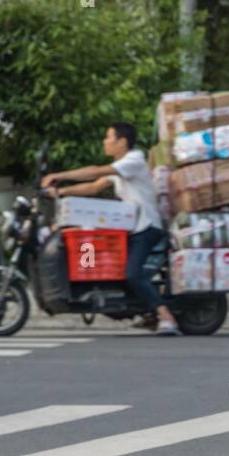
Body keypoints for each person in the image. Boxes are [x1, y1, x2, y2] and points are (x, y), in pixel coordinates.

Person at [41, 122, 179, 335]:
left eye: (108, 137)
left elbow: (96, 171)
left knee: (133, 275)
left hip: (147, 228)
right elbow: (94, 186)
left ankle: (166, 317)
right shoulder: (122, 166)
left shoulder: (134, 160)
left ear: (122, 142)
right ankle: (146, 312)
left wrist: (59, 176)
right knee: (114, 272)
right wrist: (60, 192)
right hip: (132, 229)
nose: (105, 142)